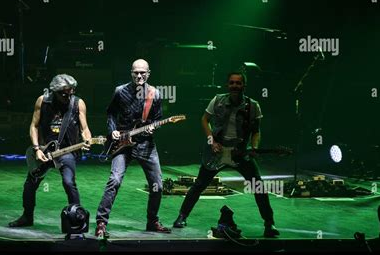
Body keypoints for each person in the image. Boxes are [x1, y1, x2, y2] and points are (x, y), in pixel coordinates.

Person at [173, 71, 280, 238]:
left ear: (244, 85)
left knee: (259, 187)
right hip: (217, 152)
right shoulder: (217, 100)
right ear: (227, 85)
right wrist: (211, 141)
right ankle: (182, 217)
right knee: (199, 185)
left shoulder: (253, 106)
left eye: (238, 83)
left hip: (239, 153)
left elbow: (256, 131)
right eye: (232, 83)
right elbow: (204, 120)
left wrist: (254, 147)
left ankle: (269, 223)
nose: (235, 86)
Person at [95, 59, 171, 238]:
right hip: (122, 143)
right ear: (131, 73)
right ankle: (101, 222)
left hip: (146, 144)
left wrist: (153, 126)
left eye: (142, 73)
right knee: (114, 180)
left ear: (148, 74)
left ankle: (152, 221)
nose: (139, 76)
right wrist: (112, 130)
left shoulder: (155, 94)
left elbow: (157, 118)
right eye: (136, 72)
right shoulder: (120, 92)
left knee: (157, 186)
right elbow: (111, 113)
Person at [9, 74, 91, 227]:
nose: (68, 96)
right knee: (30, 184)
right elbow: (33, 125)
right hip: (45, 151)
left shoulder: (78, 103)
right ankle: (27, 217)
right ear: (55, 91)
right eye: (64, 94)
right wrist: (36, 149)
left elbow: (84, 128)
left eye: (71, 92)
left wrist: (87, 140)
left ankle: (78, 218)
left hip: (66, 151)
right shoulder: (43, 101)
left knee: (68, 182)